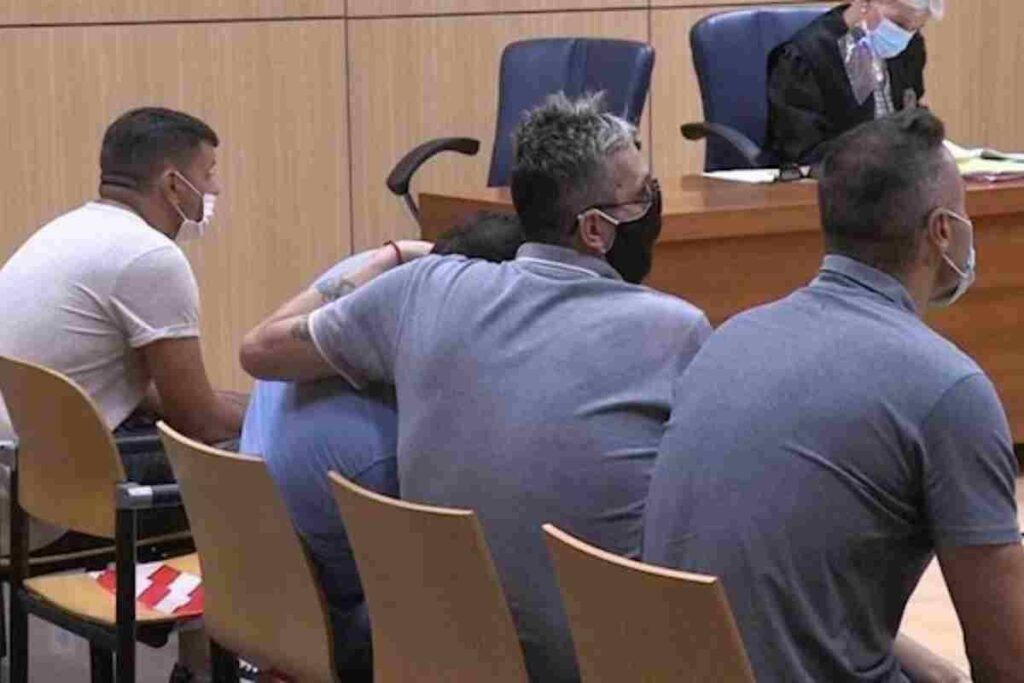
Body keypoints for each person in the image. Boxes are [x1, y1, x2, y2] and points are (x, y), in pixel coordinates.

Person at [239, 93, 712, 681]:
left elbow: (259, 349)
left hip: (440, 657)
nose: (653, 204)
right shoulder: (674, 330)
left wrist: (393, 257)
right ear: (596, 229)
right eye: (642, 195)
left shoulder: (421, 289)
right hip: (596, 663)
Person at [643, 108, 1024, 682]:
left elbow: (786, 594)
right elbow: (1007, 661)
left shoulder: (731, 338)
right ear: (943, 231)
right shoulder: (949, 390)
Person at [238, 211, 524, 680]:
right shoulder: (382, 459)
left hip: (261, 589)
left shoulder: (358, 276)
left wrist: (395, 254)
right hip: (333, 623)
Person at [0, 107, 247, 550]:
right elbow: (199, 421)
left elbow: (135, 392)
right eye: (208, 173)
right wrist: (273, 418)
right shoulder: (149, 256)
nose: (215, 188)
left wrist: (243, 404)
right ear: (173, 184)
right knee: (260, 469)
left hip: (19, 475)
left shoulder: (67, 231)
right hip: (52, 501)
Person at [766, 0, 943, 166]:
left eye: (915, 28)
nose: (903, 37)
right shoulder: (805, 57)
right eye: (899, 24)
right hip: (840, 176)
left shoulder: (910, 46)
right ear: (865, 3)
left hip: (898, 172)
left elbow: (910, 109)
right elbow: (801, 148)